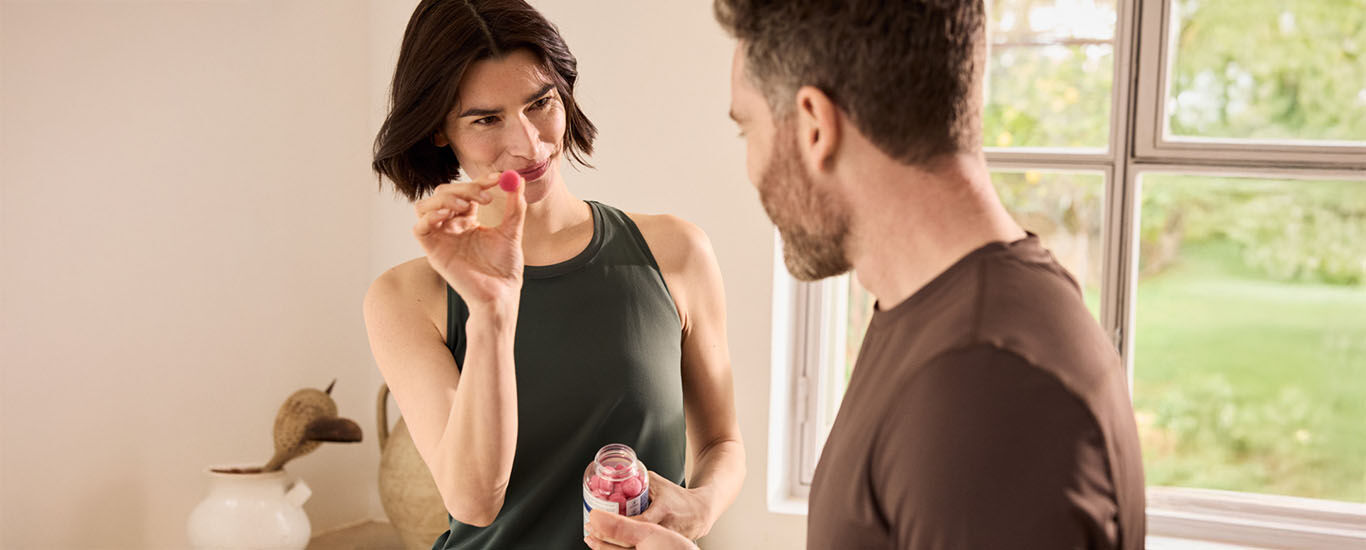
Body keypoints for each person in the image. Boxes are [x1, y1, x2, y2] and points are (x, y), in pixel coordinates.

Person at [586, 1, 1146, 548]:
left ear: (814, 126)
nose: (751, 168)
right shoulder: (942, 316)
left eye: (747, 130)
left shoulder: (983, 388)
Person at [363, 1, 745, 548]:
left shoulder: (676, 253)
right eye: (486, 119)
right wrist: (493, 309)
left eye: (540, 103)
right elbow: (472, 501)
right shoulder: (405, 298)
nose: (529, 143)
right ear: (440, 130)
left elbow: (722, 443)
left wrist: (701, 508)